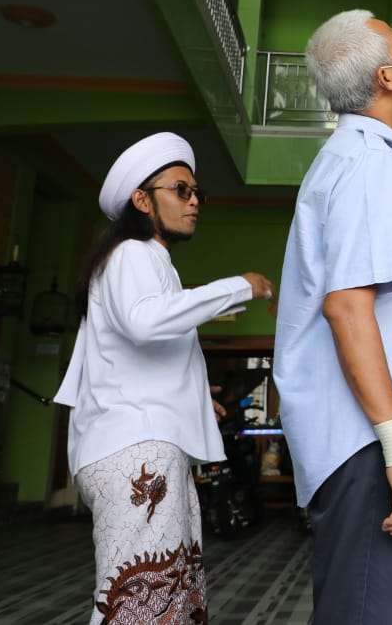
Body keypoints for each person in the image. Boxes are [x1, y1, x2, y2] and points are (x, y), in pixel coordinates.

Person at [54, 132, 274, 624]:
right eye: (181, 190)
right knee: (139, 601)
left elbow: (146, 350)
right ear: (141, 199)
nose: (195, 202)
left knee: (166, 594)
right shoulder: (133, 253)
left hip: (144, 444)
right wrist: (237, 285)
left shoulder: (149, 259)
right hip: (136, 451)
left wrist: (201, 403)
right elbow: (145, 321)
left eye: (198, 193)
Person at [273, 10, 392, 623]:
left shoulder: (357, 158)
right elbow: (347, 308)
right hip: (364, 442)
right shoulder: (365, 161)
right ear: (387, 76)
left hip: (361, 440)